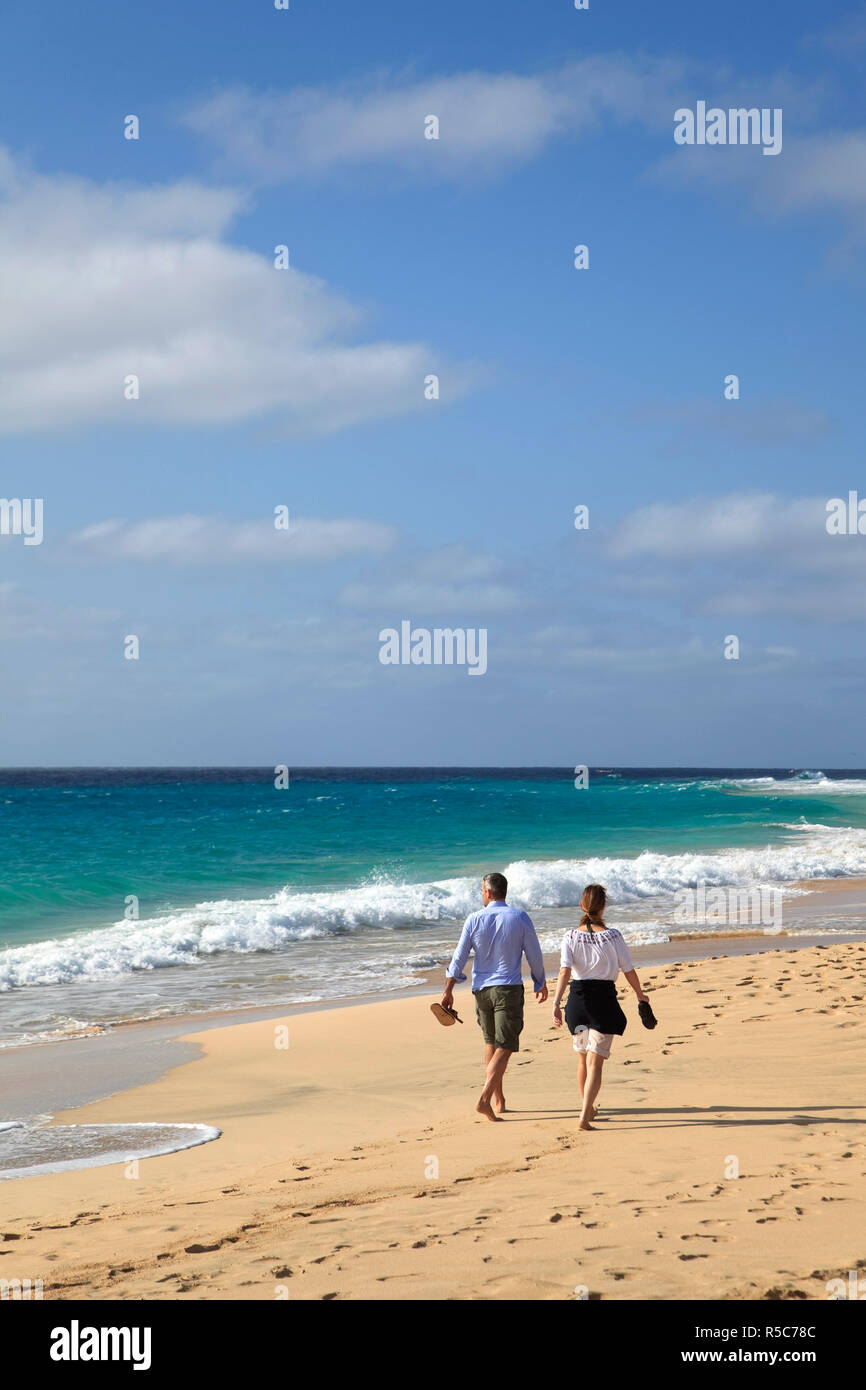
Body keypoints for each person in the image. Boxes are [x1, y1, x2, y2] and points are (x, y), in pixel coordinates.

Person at [442, 872, 548, 1122]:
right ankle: (484, 1099)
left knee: (491, 1043)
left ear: (488, 893)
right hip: (507, 988)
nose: (481, 894)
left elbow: (459, 957)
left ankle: (499, 1102)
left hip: (481, 991)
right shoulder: (519, 918)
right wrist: (539, 981)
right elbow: (534, 953)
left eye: (481, 890)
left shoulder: (474, 919)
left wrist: (448, 989)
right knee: (506, 1045)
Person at [552, 883, 649, 1131]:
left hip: (577, 1002)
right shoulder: (613, 935)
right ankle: (584, 1116)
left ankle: (589, 1109)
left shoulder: (570, 936)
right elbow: (628, 970)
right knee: (596, 1062)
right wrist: (641, 996)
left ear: (582, 905)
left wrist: (556, 1002)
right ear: (603, 906)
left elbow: (564, 971)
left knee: (583, 1059)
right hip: (603, 1002)